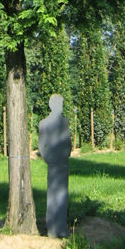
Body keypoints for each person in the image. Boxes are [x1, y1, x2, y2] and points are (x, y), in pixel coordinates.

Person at [38, 94, 71, 237]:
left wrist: (66, 154)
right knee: (53, 195)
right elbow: (41, 145)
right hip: (53, 163)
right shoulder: (44, 123)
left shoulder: (65, 122)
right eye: (59, 104)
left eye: (62, 104)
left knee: (62, 194)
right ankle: (52, 228)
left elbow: (67, 141)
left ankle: (61, 228)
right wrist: (48, 159)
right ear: (53, 105)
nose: (61, 107)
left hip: (63, 162)